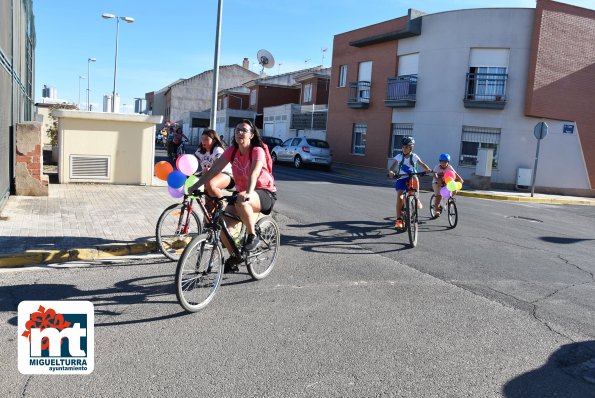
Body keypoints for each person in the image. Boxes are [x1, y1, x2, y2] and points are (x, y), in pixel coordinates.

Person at [189, 119, 277, 272]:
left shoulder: (257, 150)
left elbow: (254, 173)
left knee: (242, 201)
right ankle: (235, 256)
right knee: (222, 226)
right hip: (243, 194)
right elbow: (213, 170)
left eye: (244, 130)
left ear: (251, 135)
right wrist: (196, 186)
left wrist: (248, 193)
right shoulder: (233, 150)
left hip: (263, 192)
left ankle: (252, 235)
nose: (239, 133)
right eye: (237, 130)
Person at [387, 136, 431, 230]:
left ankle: (417, 199)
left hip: (411, 177)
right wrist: (391, 172)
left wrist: (427, 169)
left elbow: (421, 164)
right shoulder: (399, 157)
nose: (404, 149)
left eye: (406, 147)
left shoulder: (414, 156)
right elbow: (392, 167)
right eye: (403, 147)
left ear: (411, 148)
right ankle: (399, 220)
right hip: (401, 178)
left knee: (416, 180)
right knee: (399, 197)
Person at [194, 129, 234, 200]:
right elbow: (192, 161)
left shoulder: (218, 150)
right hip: (208, 176)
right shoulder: (200, 151)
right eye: (202, 139)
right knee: (208, 205)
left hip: (226, 175)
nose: (203, 141)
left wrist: (210, 170)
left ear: (214, 140)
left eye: (206, 139)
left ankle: (222, 205)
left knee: (210, 184)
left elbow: (217, 164)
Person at [432, 153, 464, 217]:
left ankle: (445, 202)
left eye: (445, 162)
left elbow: (455, 174)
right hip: (437, 182)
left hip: (447, 183)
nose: (443, 163)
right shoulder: (437, 167)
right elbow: (435, 174)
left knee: (453, 190)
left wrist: (460, 179)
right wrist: (438, 180)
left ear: (448, 162)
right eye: (442, 162)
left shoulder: (449, 167)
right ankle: (437, 210)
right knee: (438, 196)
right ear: (440, 162)